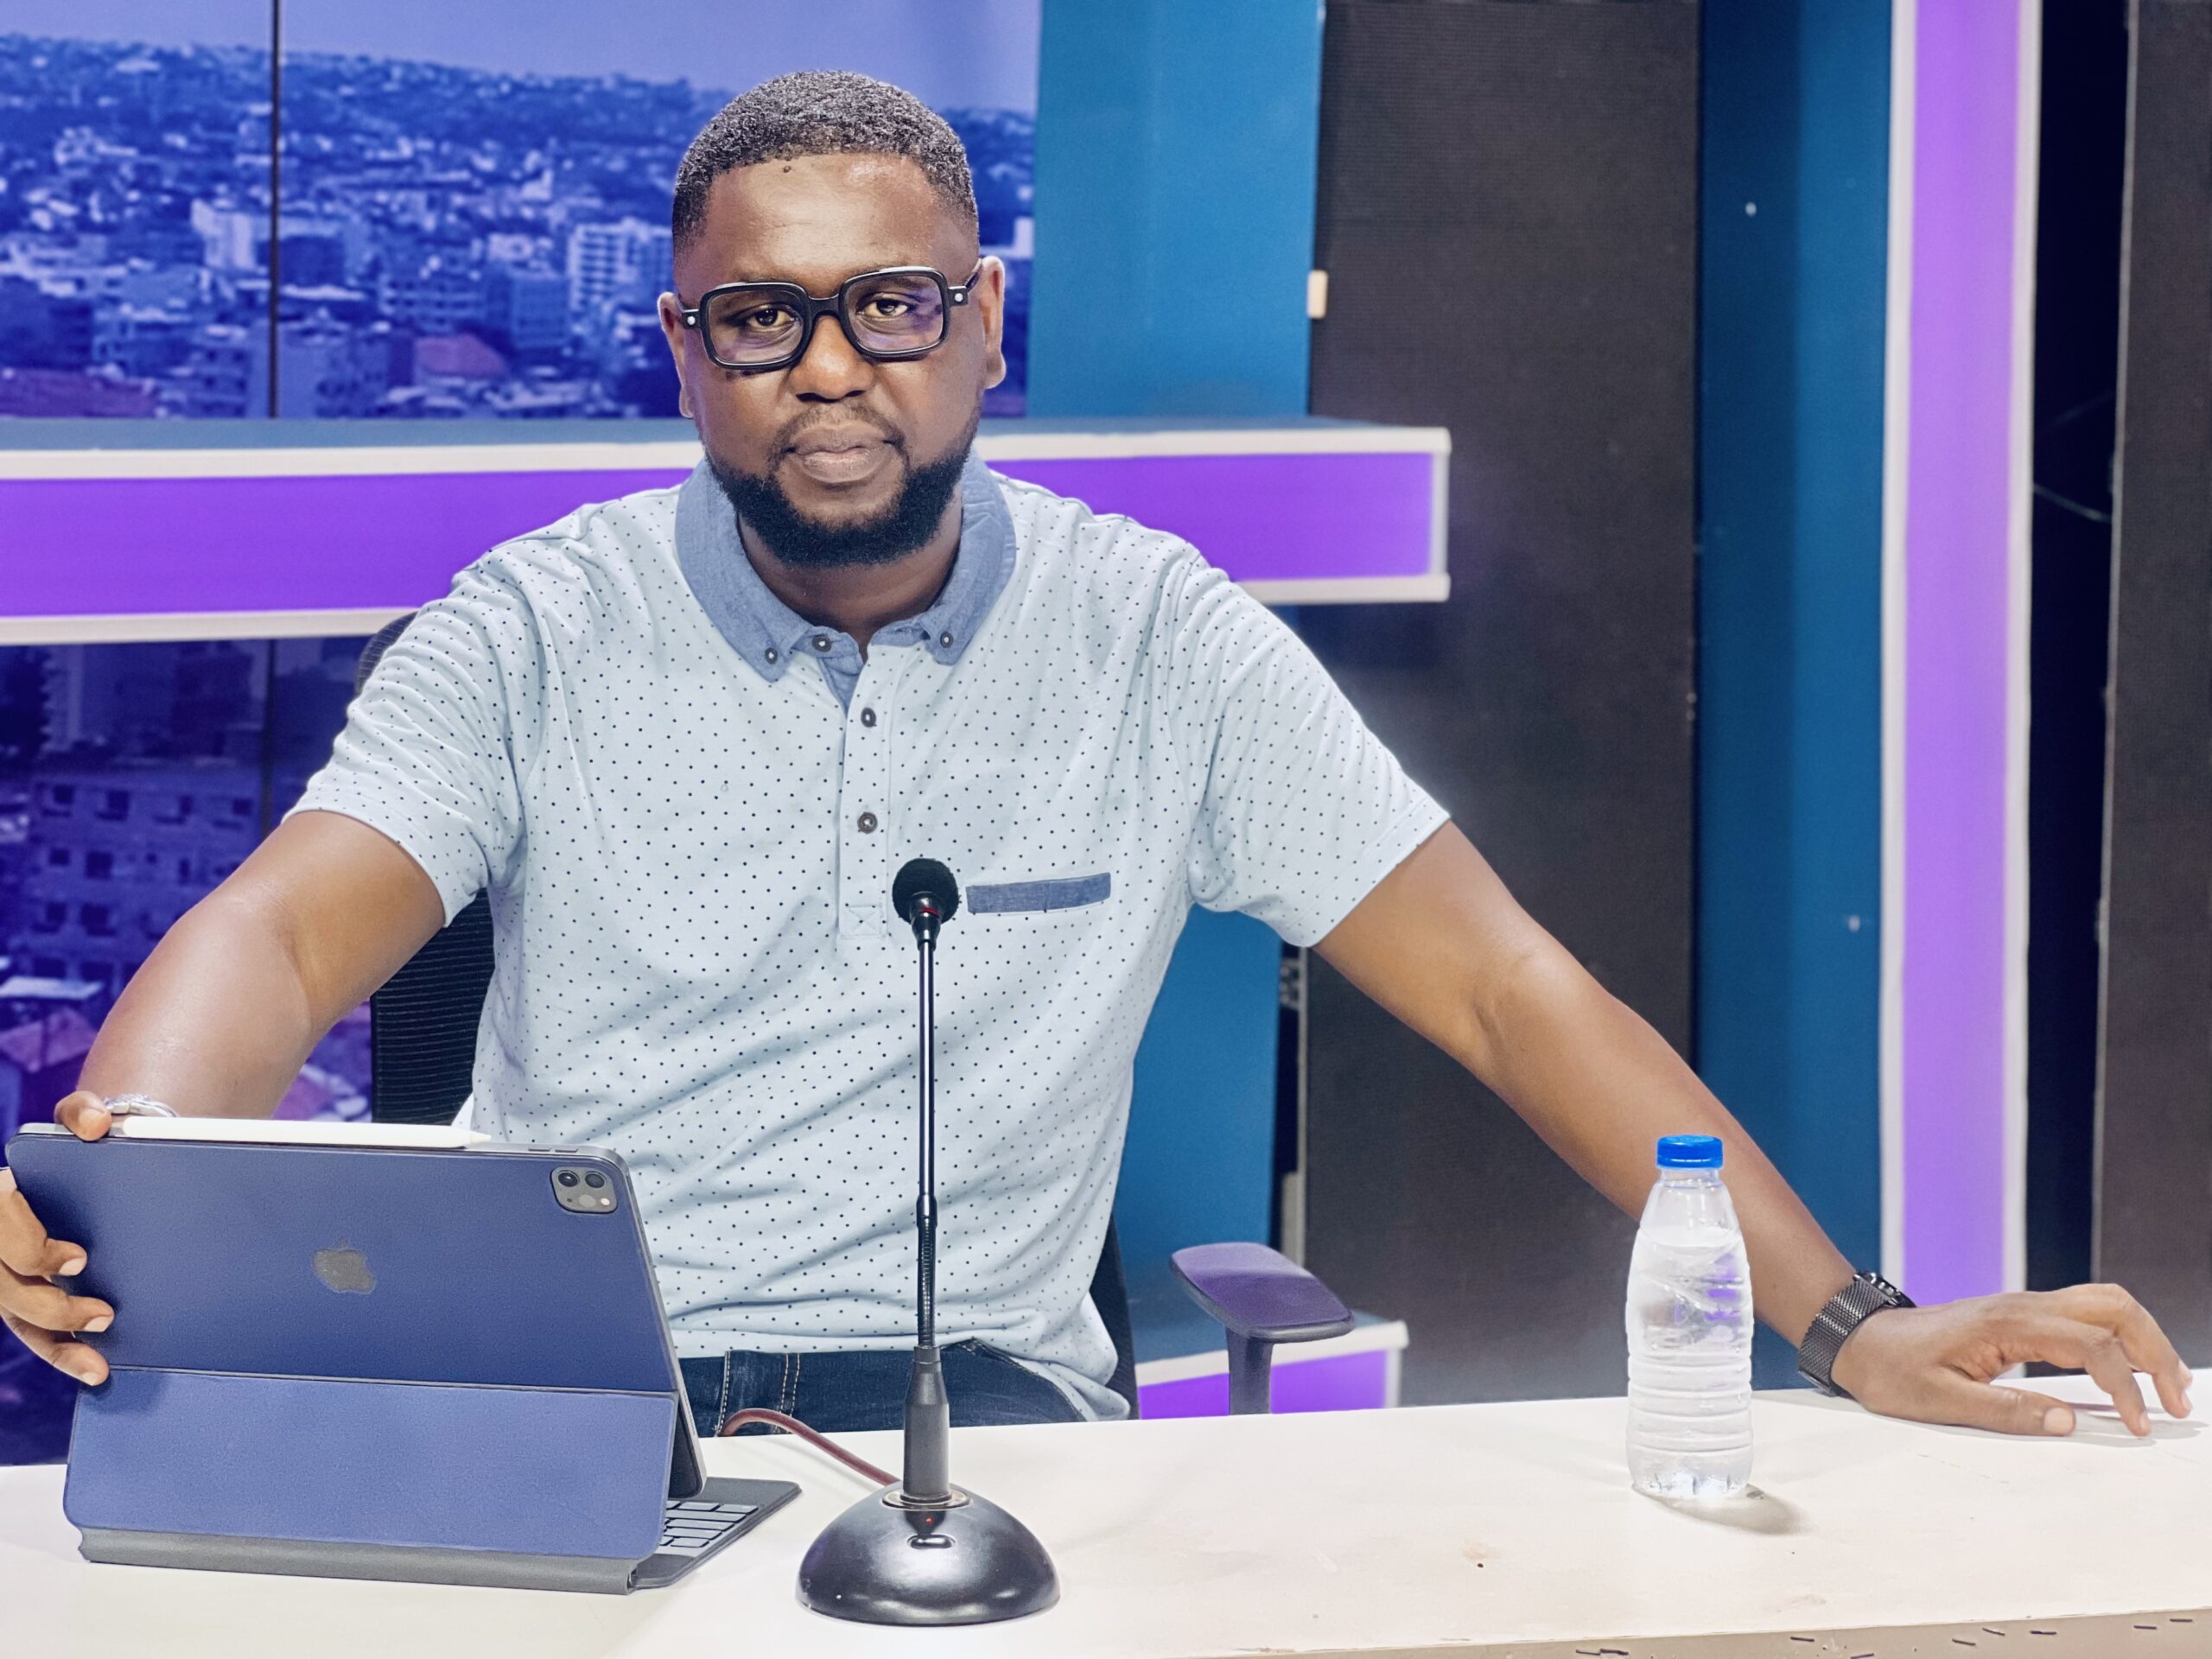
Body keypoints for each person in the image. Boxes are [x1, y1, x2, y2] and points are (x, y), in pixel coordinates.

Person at [0, 73, 2190, 1440]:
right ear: (683, 351)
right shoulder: (535, 621)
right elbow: (285, 932)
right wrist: (135, 1179)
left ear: (981, 327)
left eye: (892, 305)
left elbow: (1508, 990)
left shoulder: (1155, 635)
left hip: (986, 1415)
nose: (828, 366)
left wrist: (1851, 1326)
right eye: (759, 316)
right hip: (572, 1389)